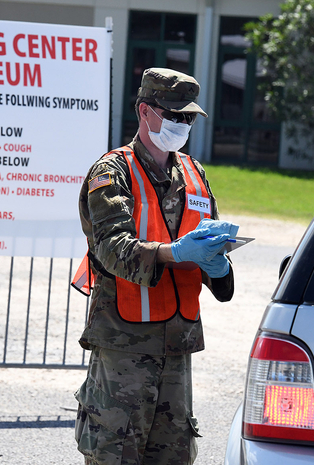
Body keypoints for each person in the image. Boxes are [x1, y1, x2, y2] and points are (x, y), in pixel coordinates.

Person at [73, 68, 237, 465]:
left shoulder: (195, 175)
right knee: (115, 454)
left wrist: (218, 266)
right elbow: (112, 248)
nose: (182, 124)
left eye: (189, 117)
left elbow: (207, 245)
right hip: (125, 345)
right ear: (145, 111)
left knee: (174, 456)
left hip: (177, 345)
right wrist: (173, 254)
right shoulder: (113, 172)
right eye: (174, 114)